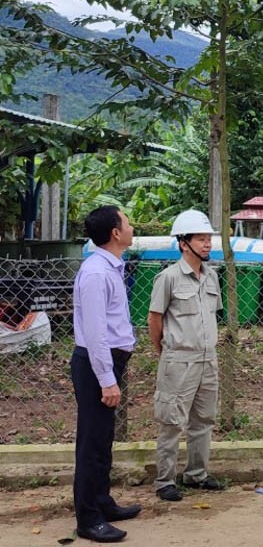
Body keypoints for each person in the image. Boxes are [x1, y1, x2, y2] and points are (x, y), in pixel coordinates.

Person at [71, 206, 142, 542]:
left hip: (107, 361)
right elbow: (96, 332)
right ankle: (88, 519)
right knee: (92, 442)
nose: (131, 226)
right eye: (127, 222)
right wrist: (107, 379)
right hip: (97, 363)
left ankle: (102, 502)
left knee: (103, 440)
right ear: (116, 232)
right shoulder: (97, 273)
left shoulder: (109, 267)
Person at [149, 210, 225, 501]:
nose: (207, 244)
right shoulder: (167, 278)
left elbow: (212, 317)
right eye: (201, 239)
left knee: (203, 420)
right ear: (183, 243)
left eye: (209, 239)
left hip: (208, 359)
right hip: (178, 360)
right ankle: (165, 480)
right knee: (171, 423)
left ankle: (196, 475)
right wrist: (165, 352)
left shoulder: (212, 277)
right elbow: (154, 320)